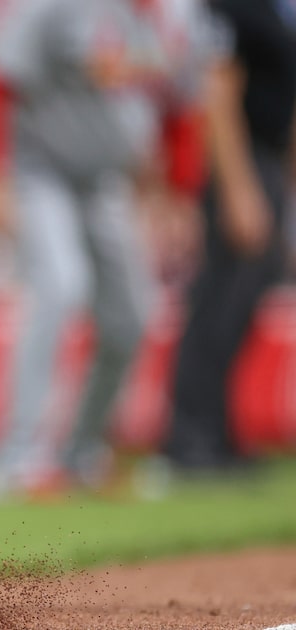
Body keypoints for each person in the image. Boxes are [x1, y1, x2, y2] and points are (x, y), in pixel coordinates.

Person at [0, 0, 206, 502]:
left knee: (133, 315)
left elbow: (184, 106)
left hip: (106, 183)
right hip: (39, 172)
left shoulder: (180, 17)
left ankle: (82, 455)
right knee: (58, 287)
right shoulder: (57, 6)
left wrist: (181, 191)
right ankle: (12, 461)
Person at [161, 0, 295, 476]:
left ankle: (218, 434)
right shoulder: (230, 6)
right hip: (239, 163)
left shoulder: (267, 10)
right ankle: (189, 438)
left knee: (241, 303)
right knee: (218, 300)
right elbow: (217, 88)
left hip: (266, 162)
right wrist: (239, 187)